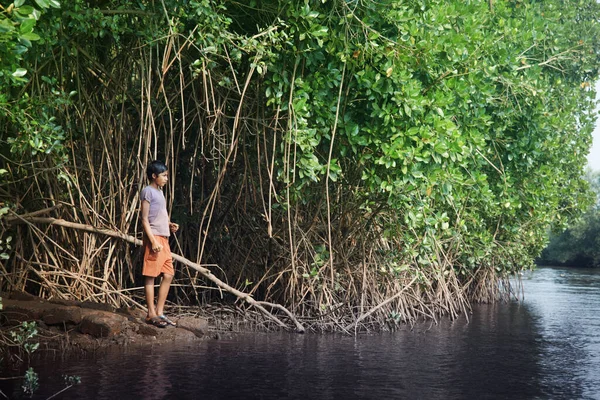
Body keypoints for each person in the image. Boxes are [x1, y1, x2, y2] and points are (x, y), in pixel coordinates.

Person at [140, 160, 179, 328]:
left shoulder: (160, 192)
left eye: (167, 176)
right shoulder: (147, 191)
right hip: (154, 238)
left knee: (168, 274)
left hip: (164, 238)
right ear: (154, 176)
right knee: (150, 276)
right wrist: (153, 240)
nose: (166, 179)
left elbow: (159, 214)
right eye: (164, 176)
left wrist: (169, 225)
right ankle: (151, 314)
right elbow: (144, 219)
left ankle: (160, 311)